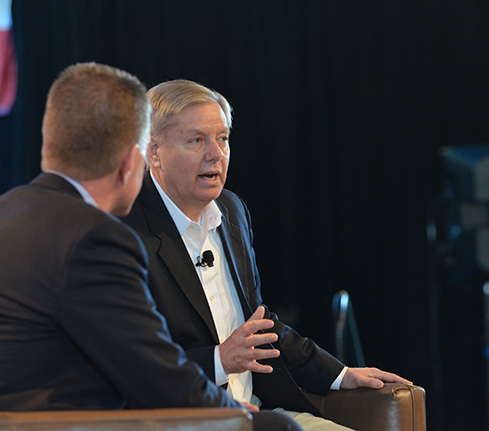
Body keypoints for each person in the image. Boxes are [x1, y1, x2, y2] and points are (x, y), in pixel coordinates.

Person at [0, 63, 301, 431]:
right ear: (134, 160)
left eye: (222, 139)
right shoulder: (96, 238)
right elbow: (155, 375)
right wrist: (232, 413)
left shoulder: (10, 209)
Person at [122, 79, 412, 430]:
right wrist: (220, 360)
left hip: (261, 413)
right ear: (154, 151)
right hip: (189, 419)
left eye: (223, 139)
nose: (215, 153)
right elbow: (130, 361)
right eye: (197, 140)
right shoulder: (125, 232)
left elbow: (260, 327)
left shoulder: (231, 211)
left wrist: (340, 375)